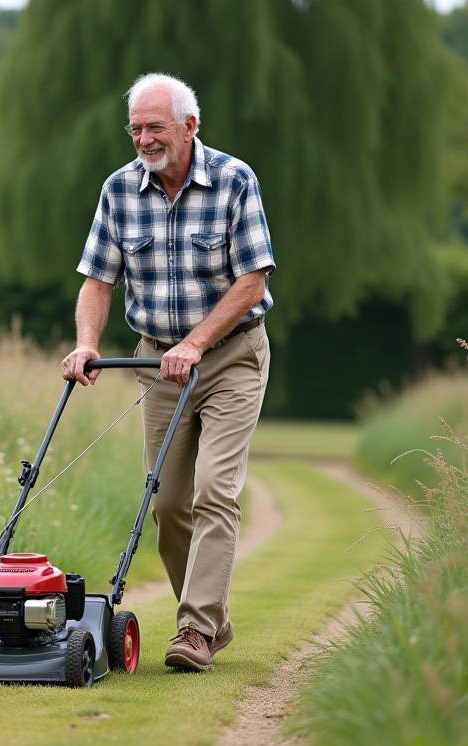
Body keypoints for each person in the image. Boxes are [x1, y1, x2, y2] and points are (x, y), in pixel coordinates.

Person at [61, 73, 276, 672]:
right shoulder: (119, 190)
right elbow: (98, 278)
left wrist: (197, 342)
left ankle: (195, 630)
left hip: (231, 355)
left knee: (214, 490)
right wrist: (85, 344)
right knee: (168, 502)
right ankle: (212, 616)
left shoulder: (235, 180)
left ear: (189, 125)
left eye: (155, 127)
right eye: (135, 129)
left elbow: (252, 279)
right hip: (158, 362)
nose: (144, 139)